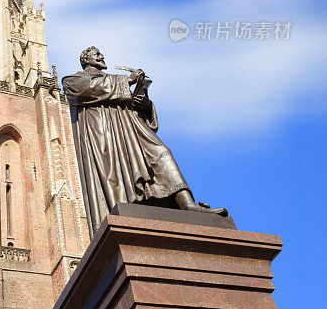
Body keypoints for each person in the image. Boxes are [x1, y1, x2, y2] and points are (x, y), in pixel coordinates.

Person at [62, 46, 227, 234]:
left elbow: (140, 111)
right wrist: (127, 81)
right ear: (86, 60)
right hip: (107, 134)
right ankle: (126, 210)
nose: (101, 56)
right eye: (96, 54)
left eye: (101, 53)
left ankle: (187, 204)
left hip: (131, 128)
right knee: (115, 175)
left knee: (161, 152)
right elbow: (85, 90)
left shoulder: (114, 81)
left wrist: (144, 103)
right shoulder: (73, 80)